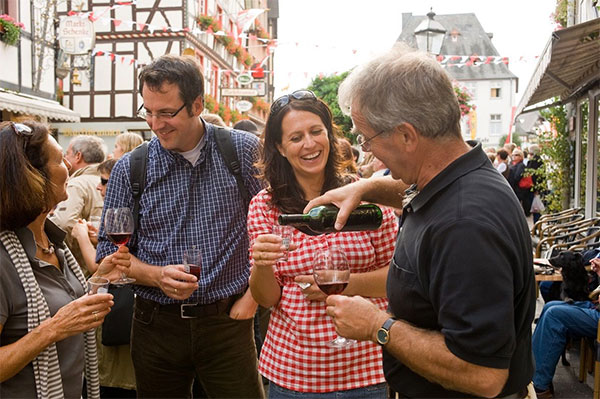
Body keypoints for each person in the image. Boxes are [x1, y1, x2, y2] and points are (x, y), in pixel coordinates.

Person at [305, 44, 535, 398]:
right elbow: (421, 194)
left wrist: (377, 326)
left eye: (367, 139)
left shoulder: (464, 225)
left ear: (407, 135)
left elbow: (483, 374)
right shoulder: (457, 177)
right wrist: (366, 188)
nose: (366, 151)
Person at [95, 54, 265, 398]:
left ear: (197, 104)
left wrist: (252, 299)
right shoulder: (131, 168)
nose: (155, 124)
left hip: (227, 321)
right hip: (155, 324)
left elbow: (274, 228)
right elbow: (108, 255)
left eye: (167, 113)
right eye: (148, 112)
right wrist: (156, 276)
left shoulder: (242, 150)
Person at [248, 89, 398, 398]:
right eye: (296, 137)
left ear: (329, 135)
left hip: (366, 367)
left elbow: (397, 279)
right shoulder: (266, 206)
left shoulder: (364, 196)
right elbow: (266, 298)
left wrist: (345, 283)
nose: (309, 143)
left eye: (316, 132)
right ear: (280, 146)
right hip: (294, 372)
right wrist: (261, 265)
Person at [0, 121, 130, 398]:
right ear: (31, 176)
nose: (70, 167)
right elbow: (57, 320)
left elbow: (57, 303)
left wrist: (97, 280)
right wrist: (53, 328)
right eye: (60, 160)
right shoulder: (3, 258)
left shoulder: (53, 242)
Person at [71, 158, 136, 398]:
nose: (99, 187)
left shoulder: (124, 212)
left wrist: (82, 237)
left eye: (104, 181)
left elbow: (102, 265)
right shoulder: (117, 211)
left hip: (118, 320)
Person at [532, 252, 600, 398]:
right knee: (550, 306)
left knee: (554, 315)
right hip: (595, 305)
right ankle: (533, 369)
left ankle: (540, 385)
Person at [50, 135, 106, 274]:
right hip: (108, 265)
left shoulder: (77, 184)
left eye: (67, 154)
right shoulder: (110, 180)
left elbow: (63, 223)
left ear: (78, 156)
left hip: (83, 270)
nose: (66, 160)